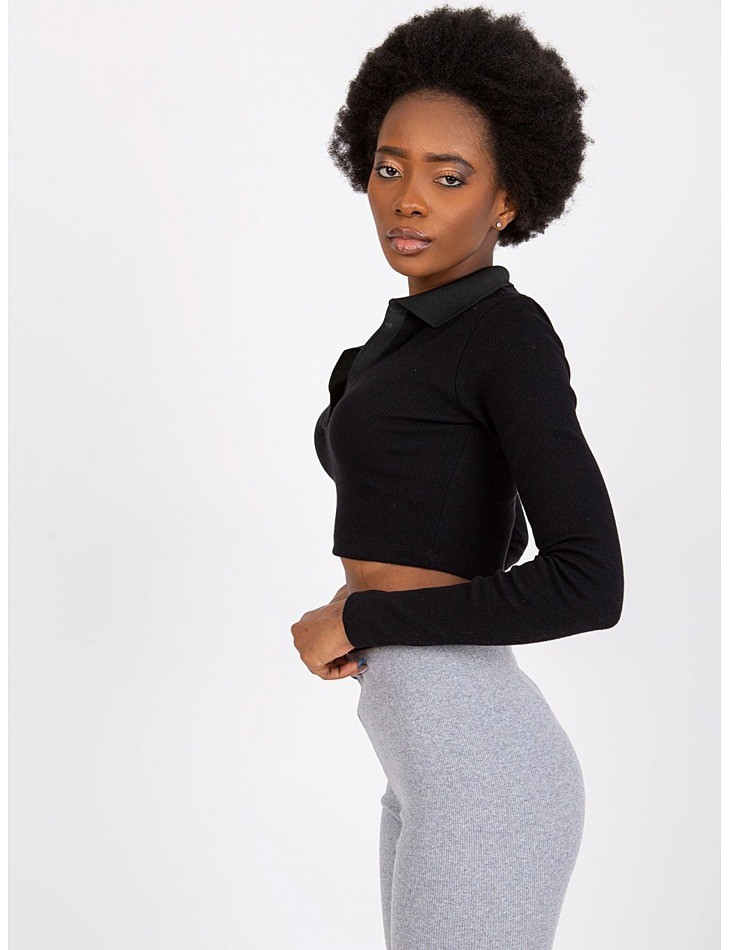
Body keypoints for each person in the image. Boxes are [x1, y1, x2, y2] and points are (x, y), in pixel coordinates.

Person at [291, 6, 624, 949]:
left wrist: (365, 617)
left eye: (449, 176)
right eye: (389, 168)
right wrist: (356, 607)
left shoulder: (507, 336)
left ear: (506, 200)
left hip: (485, 770)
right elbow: (463, 537)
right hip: (423, 760)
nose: (408, 200)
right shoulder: (396, 348)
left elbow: (589, 582)